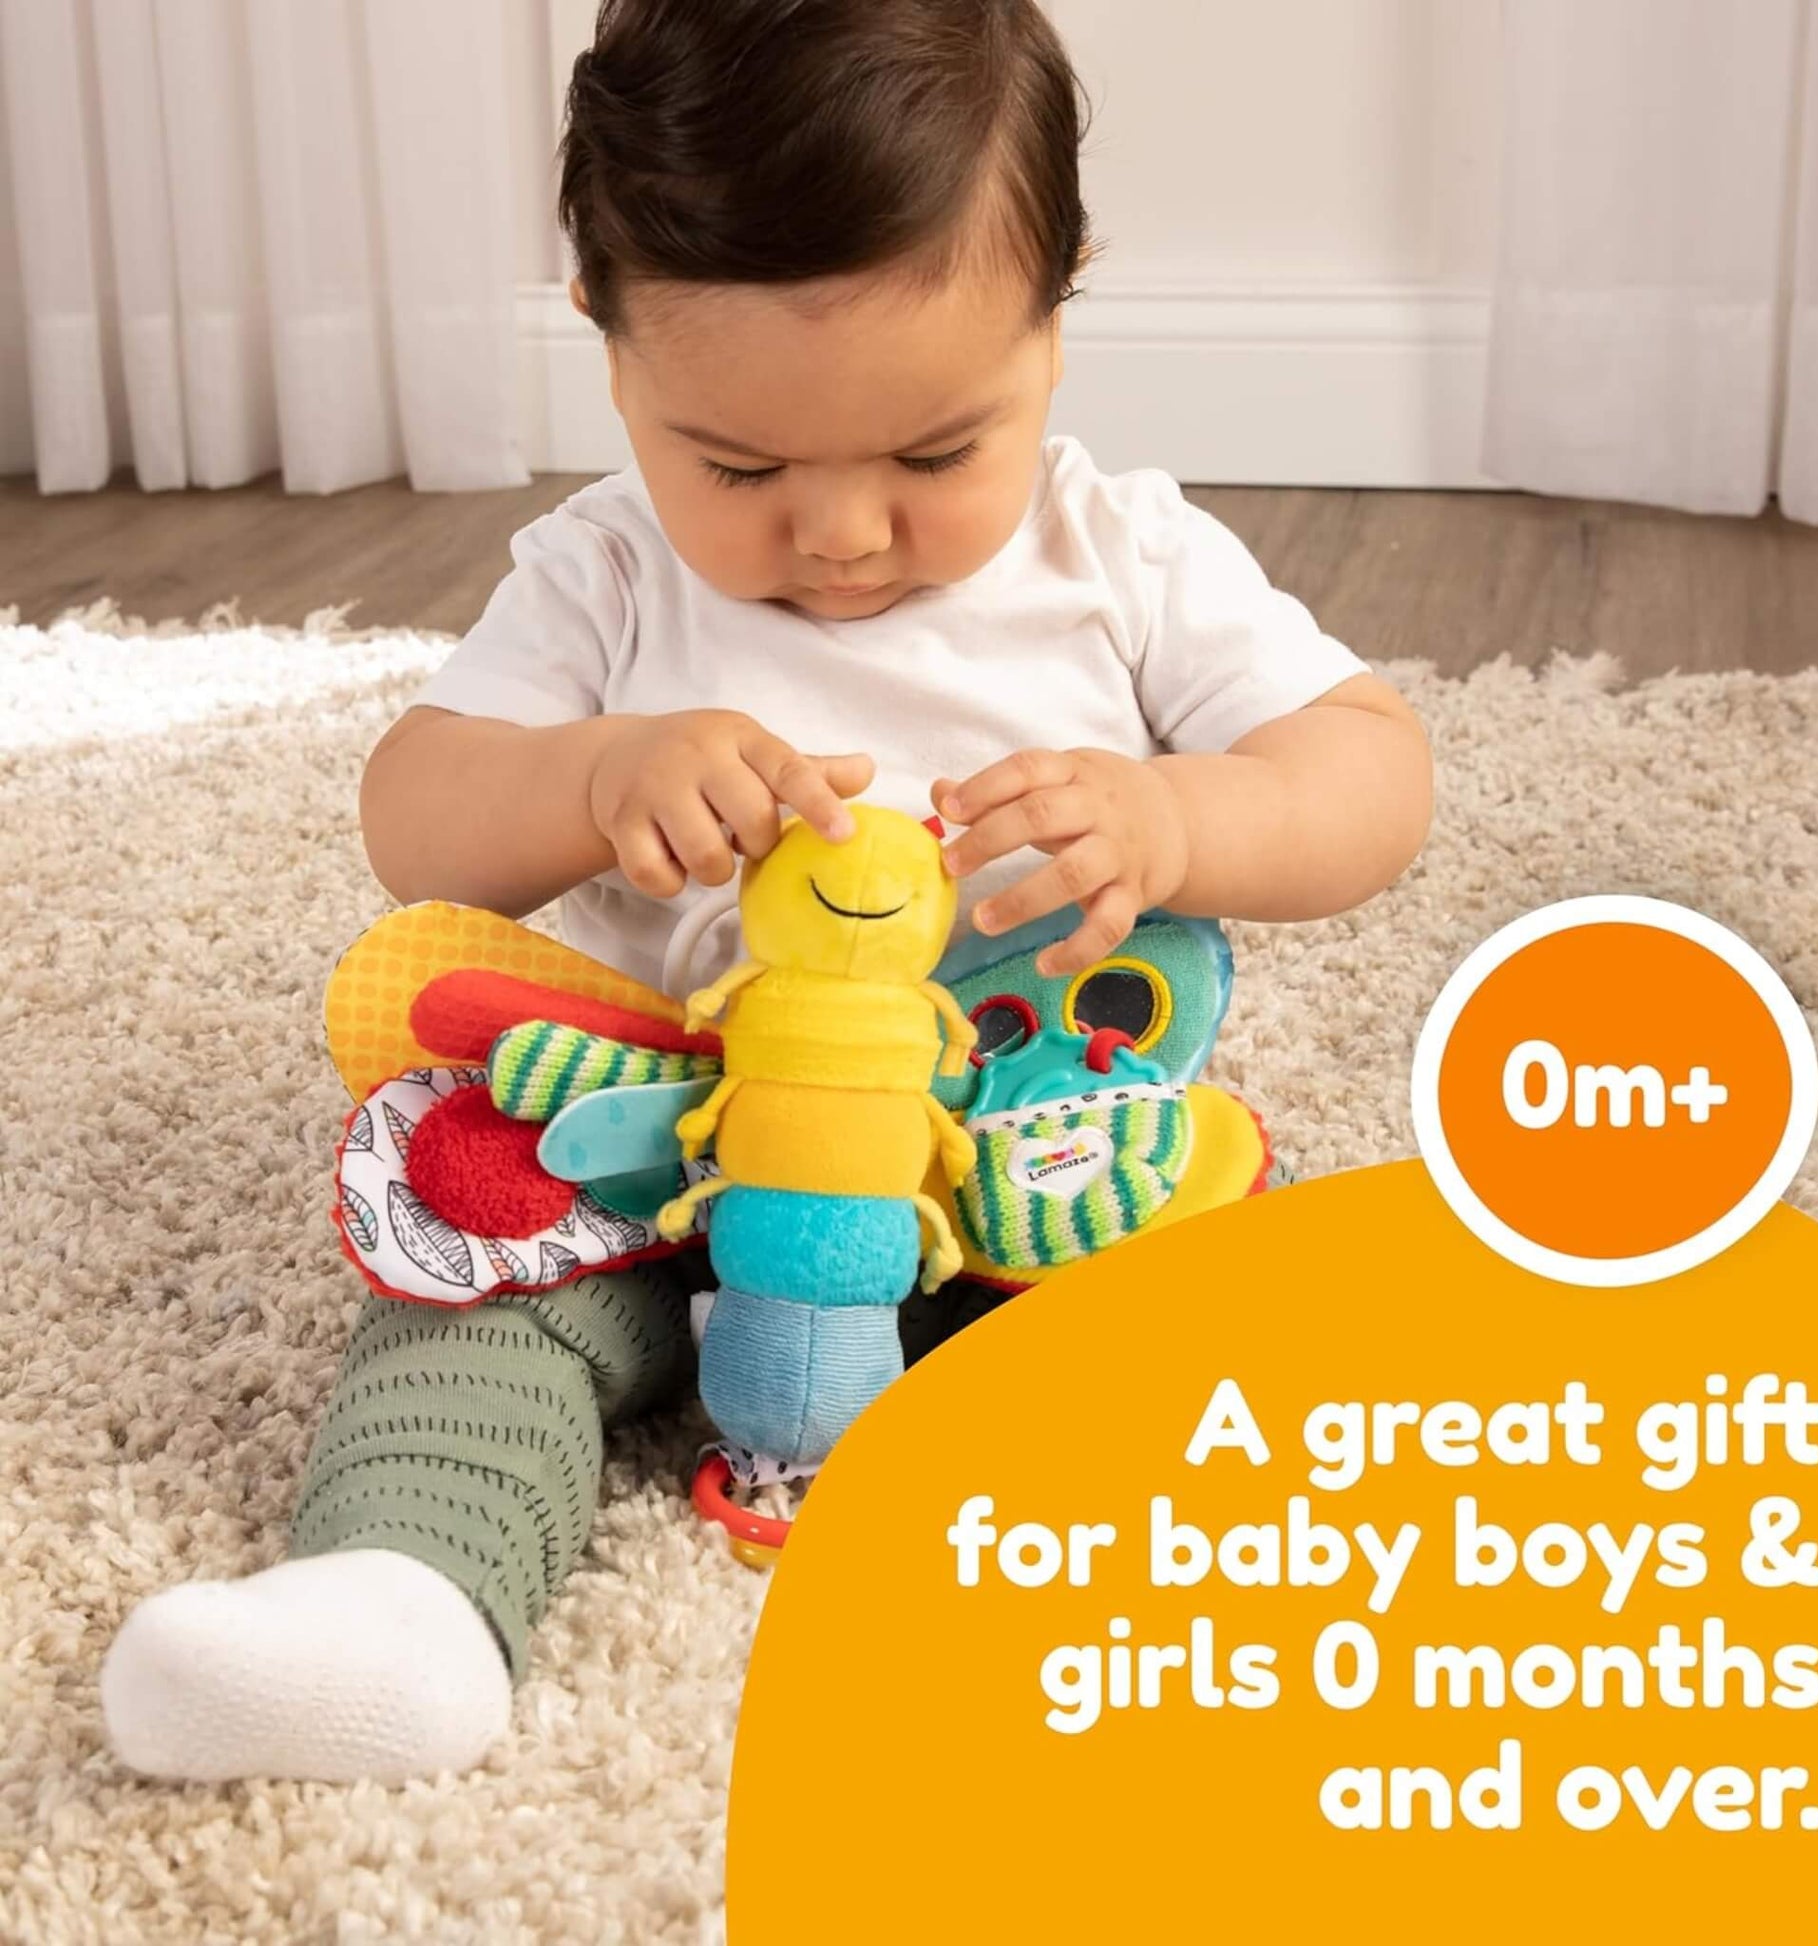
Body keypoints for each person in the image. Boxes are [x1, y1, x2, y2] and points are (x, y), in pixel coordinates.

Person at [101, 0, 1432, 1785]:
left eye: (932, 454)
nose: (841, 534)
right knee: (474, 1288)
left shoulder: (1124, 560)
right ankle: (403, 1603)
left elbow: (1371, 778)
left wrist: (1177, 818)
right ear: (601, 329)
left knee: (1201, 1327)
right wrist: (592, 773)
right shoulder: (598, 576)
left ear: (1063, 300)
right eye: (738, 467)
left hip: (1016, 1160)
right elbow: (415, 816)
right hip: (657, 1158)